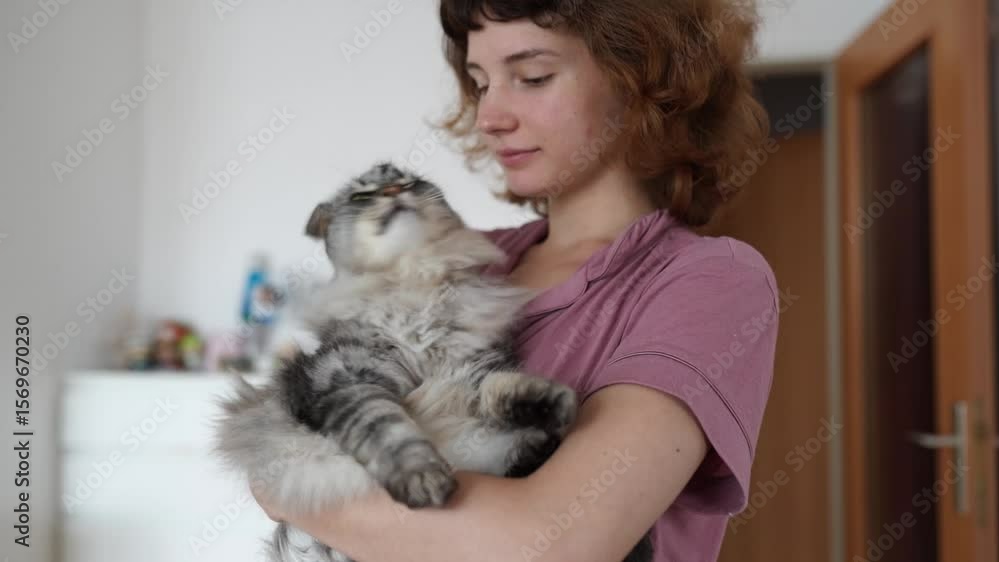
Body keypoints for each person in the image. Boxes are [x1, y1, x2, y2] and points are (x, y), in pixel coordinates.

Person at [254, 1, 779, 561]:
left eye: (532, 77)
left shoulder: (711, 281)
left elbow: (551, 545)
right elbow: (300, 414)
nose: (489, 116)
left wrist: (296, 488)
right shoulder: (458, 259)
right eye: (481, 83)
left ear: (641, 81)